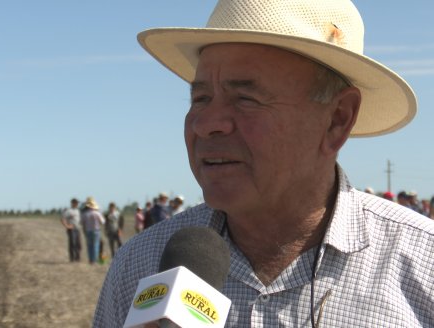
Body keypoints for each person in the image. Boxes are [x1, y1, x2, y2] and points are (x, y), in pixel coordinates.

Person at [93, 1, 434, 327]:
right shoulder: (140, 264)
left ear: (337, 119)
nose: (205, 123)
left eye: (245, 98)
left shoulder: (423, 266)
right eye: (200, 98)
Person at [80, 197, 105, 265]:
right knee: (96, 245)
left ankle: (90, 260)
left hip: (88, 231)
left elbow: (81, 222)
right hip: (96, 230)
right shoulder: (97, 213)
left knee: (89, 246)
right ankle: (95, 260)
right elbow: (103, 222)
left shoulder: (85, 214)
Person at [60, 198, 81, 262]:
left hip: (77, 229)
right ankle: (72, 258)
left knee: (78, 244)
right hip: (72, 229)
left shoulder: (77, 210)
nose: (77, 204)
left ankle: (77, 258)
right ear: (72, 203)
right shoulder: (69, 211)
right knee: (72, 244)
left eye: (77, 203)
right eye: (76, 203)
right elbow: (62, 219)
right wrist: (67, 226)